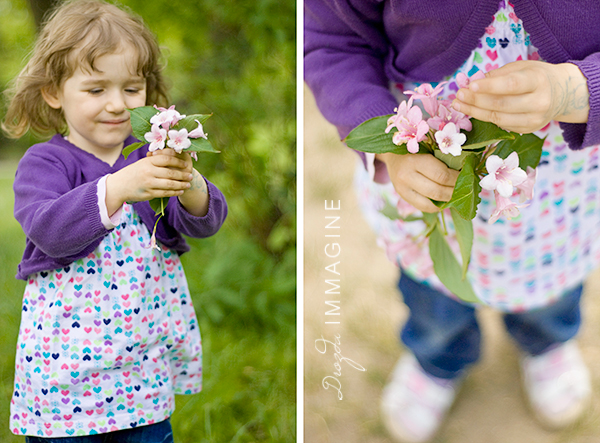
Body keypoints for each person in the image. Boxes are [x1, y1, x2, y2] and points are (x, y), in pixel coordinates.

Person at [305, 0, 600, 441]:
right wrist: (387, 144)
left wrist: (576, 91)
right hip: (423, 176)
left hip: (561, 192)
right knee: (435, 301)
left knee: (550, 296)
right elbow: (333, 43)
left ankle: (546, 344)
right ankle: (438, 359)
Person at [2, 1, 227, 441]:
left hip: (140, 375)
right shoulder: (45, 163)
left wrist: (190, 180)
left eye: (131, 89)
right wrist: (119, 187)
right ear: (54, 92)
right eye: (96, 89)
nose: (116, 105)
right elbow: (49, 230)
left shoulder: (151, 156)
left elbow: (202, 223)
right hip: (66, 379)